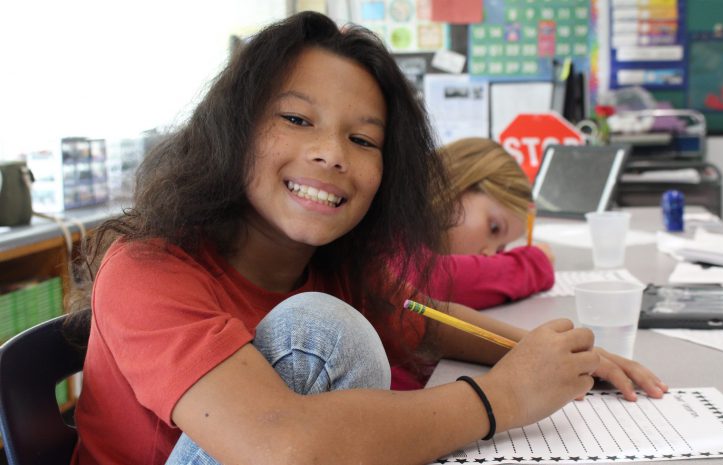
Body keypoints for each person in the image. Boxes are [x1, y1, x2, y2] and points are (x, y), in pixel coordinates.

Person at [69, 12, 667, 465]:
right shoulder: (145, 268)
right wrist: (502, 400)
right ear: (234, 131)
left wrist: (555, 357)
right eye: (297, 120)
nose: (331, 153)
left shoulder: (330, 261)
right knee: (321, 330)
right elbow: (279, 444)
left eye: (364, 140)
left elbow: (428, 318)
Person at [427, 137, 556, 310]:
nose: (490, 255)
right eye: (494, 228)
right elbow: (433, 280)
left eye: (501, 249)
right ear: (456, 185)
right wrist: (534, 265)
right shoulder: (391, 230)